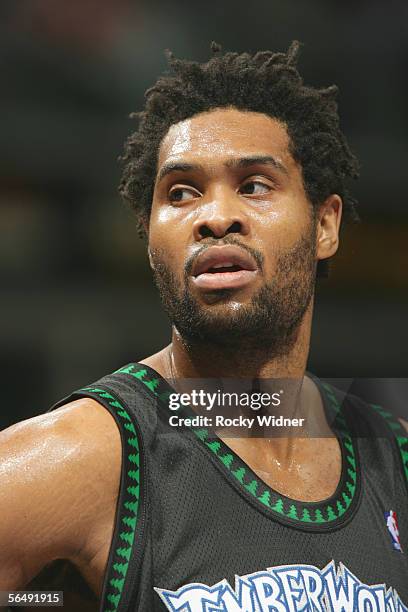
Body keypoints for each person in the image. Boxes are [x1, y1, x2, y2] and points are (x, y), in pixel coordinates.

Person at [1, 41, 407, 612]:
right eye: (182, 193)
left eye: (255, 185)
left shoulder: (393, 457)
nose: (215, 216)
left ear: (325, 224)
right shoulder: (87, 457)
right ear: (148, 239)